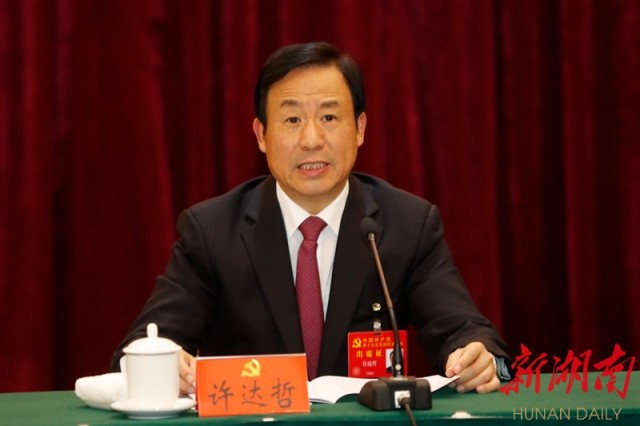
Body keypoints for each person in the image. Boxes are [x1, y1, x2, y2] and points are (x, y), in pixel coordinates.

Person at [111, 41, 511, 396]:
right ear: (261, 135)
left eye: (329, 118)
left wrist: (477, 356)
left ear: (360, 128)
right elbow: (139, 349)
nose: (311, 140)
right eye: (292, 120)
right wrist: (164, 363)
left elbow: (468, 333)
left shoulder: (407, 224)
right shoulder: (212, 232)